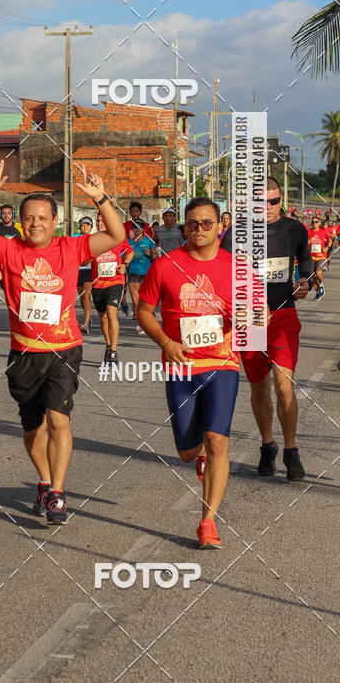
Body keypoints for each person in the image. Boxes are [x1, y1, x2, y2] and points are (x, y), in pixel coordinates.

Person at [0, 160, 126, 525]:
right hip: (23, 353)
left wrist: (101, 199)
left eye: (43, 218)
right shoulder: (9, 250)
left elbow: (116, 236)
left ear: (55, 222)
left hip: (63, 350)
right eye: (29, 218)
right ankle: (44, 480)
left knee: (59, 420)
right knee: (32, 428)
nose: (36, 223)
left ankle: (58, 493)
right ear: (22, 222)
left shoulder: (71, 248)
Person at [137, 197, 243, 549]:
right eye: (193, 223)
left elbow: (260, 313)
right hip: (180, 365)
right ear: (184, 226)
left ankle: (207, 522)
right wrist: (166, 343)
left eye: (207, 223)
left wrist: (252, 319)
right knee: (186, 450)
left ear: (218, 227)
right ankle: (199, 459)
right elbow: (144, 311)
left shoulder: (236, 268)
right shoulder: (167, 266)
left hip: (221, 364)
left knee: (217, 441)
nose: (199, 229)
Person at [221, 177, 313, 480]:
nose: (270, 207)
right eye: (263, 202)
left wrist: (305, 283)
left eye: (275, 201)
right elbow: (222, 275)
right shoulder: (235, 235)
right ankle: (267, 444)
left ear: (281, 200)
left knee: (283, 384)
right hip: (250, 320)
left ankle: (291, 450)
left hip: (284, 316)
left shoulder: (295, 230)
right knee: (259, 387)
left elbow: (306, 263)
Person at [91, 214, 133, 361]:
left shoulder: (117, 237)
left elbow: (129, 252)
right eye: (97, 220)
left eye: (103, 220)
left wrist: (125, 264)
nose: (99, 223)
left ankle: (114, 351)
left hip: (115, 281)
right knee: (103, 317)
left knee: (111, 313)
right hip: (97, 283)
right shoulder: (92, 239)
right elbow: (83, 260)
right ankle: (108, 346)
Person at [126, 224, 157, 333]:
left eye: (139, 227)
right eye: (134, 227)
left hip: (146, 273)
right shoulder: (129, 243)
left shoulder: (148, 242)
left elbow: (156, 256)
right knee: (135, 300)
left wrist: (150, 254)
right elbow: (123, 256)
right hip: (133, 273)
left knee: (146, 298)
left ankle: (150, 315)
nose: (136, 229)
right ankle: (141, 324)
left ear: (143, 229)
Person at [75, 216, 94, 334]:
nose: (85, 227)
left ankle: (86, 324)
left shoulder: (94, 238)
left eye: (87, 225)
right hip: (77, 270)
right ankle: (88, 317)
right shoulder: (75, 237)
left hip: (89, 270)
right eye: (83, 225)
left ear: (91, 227)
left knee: (87, 295)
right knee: (82, 297)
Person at [308, 216, 331, 300]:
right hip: (311, 257)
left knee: (318, 273)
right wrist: (308, 242)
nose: (314, 223)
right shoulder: (309, 232)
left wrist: (327, 247)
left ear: (319, 223)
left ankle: (321, 286)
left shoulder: (323, 231)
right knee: (313, 278)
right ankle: (318, 293)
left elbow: (330, 241)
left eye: (316, 222)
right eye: (313, 222)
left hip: (321, 256)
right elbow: (305, 243)